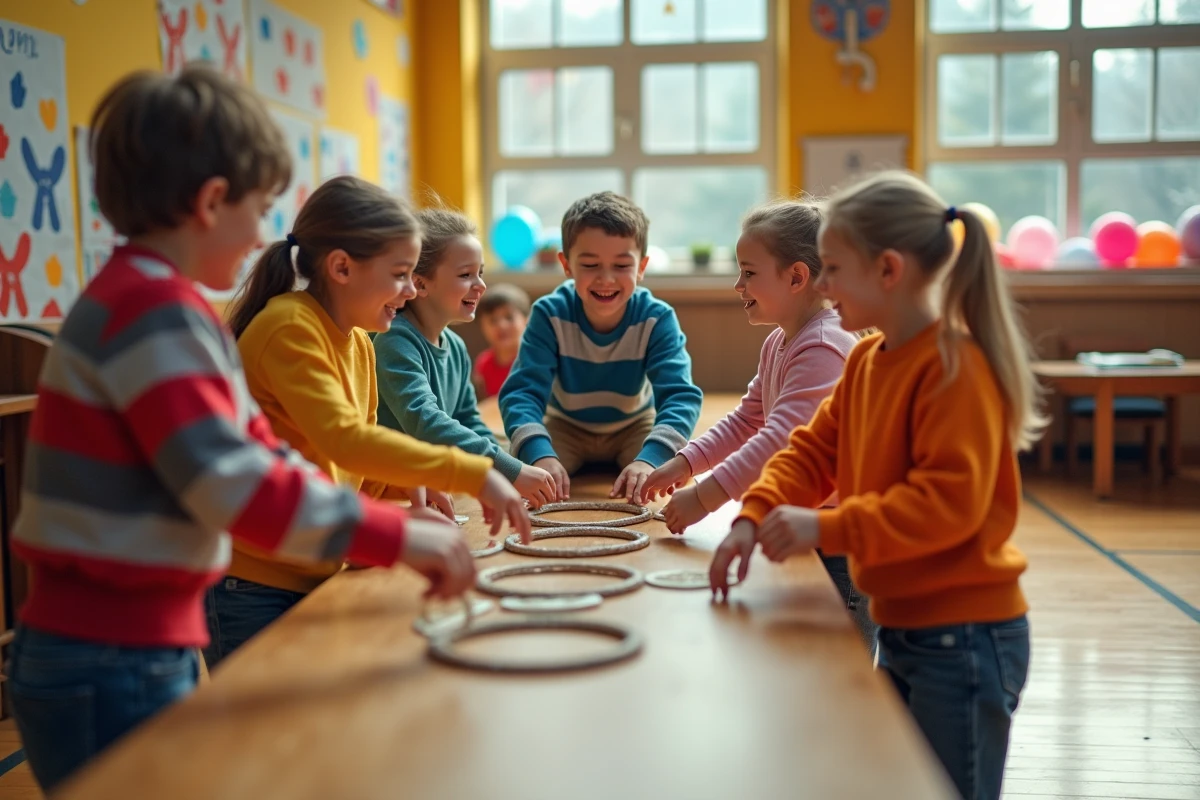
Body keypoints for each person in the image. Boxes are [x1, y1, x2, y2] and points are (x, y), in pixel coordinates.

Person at [3, 66, 476, 792]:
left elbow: (256, 449)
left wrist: (392, 505)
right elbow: (235, 481)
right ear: (211, 201)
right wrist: (392, 533)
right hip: (106, 654)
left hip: (123, 644)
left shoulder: (157, 304)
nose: (265, 233)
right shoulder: (149, 314)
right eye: (257, 209)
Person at [711, 171, 1042, 800]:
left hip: (965, 636)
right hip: (903, 623)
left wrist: (826, 526)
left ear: (888, 270)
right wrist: (753, 515)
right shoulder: (866, 360)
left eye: (833, 268)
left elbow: (945, 507)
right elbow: (810, 452)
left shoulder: (954, 368)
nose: (823, 284)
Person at [206, 180, 531, 668]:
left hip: (314, 567)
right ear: (341, 268)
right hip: (254, 585)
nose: (410, 289)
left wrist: (404, 488)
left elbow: (357, 458)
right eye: (400, 274)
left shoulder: (358, 340)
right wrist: (471, 473)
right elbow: (346, 440)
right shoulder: (290, 327)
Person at [642, 199, 875, 650]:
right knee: (802, 661)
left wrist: (707, 496)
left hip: (840, 545)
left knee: (843, 675)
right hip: (803, 524)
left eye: (749, 272)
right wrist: (685, 463)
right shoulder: (779, 341)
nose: (737, 283)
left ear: (796, 276)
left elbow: (779, 440)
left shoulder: (825, 344)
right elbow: (748, 418)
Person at [499, 191, 703, 504]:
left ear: (641, 267)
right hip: (566, 427)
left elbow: (679, 396)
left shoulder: (657, 318)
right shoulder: (548, 314)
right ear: (566, 266)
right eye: (591, 264)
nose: (606, 279)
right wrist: (540, 456)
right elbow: (522, 393)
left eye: (622, 265)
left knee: (663, 470)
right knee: (520, 469)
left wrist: (649, 459)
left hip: (634, 426)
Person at [373, 208, 555, 507]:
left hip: (435, 487)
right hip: (392, 496)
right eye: (465, 274)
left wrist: (509, 464)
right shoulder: (394, 341)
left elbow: (469, 419)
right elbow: (428, 423)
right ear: (420, 284)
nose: (480, 285)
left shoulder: (455, 346)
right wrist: (509, 471)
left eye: (480, 273)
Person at [473, 283, 530, 399]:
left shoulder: (534, 359)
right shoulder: (483, 364)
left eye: (509, 317)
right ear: (482, 327)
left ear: (526, 321)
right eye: (493, 320)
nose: (501, 325)